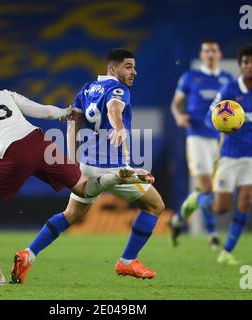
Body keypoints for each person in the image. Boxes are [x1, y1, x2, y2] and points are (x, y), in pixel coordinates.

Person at [0, 61, 153, 285]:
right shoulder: (3, 94)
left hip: (11, 155)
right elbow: (39, 110)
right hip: (39, 141)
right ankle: (117, 175)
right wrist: (64, 112)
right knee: (83, 186)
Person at [11, 49, 165, 283]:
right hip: (112, 167)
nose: (134, 72)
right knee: (155, 205)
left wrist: (71, 162)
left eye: (134, 66)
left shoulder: (87, 89)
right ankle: (127, 262)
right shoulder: (118, 89)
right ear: (113, 69)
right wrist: (119, 127)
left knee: (71, 214)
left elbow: (73, 123)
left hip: (87, 166)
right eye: (128, 66)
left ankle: (28, 254)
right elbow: (115, 108)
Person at [180, 44, 252, 265]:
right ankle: (199, 199)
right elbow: (209, 117)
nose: (250, 66)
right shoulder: (229, 91)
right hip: (228, 156)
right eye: (246, 62)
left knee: (246, 200)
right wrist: (220, 125)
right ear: (241, 66)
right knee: (221, 207)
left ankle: (226, 252)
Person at [169, 40, 234, 249]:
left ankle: (177, 220)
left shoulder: (228, 80)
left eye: (213, 50)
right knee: (207, 188)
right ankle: (212, 235)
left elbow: (234, 107)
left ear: (219, 54)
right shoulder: (191, 77)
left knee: (203, 190)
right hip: (196, 137)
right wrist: (179, 117)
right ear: (201, 54)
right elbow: (176, 103)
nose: (210, 54)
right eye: (206, 50)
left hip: (219, 139)